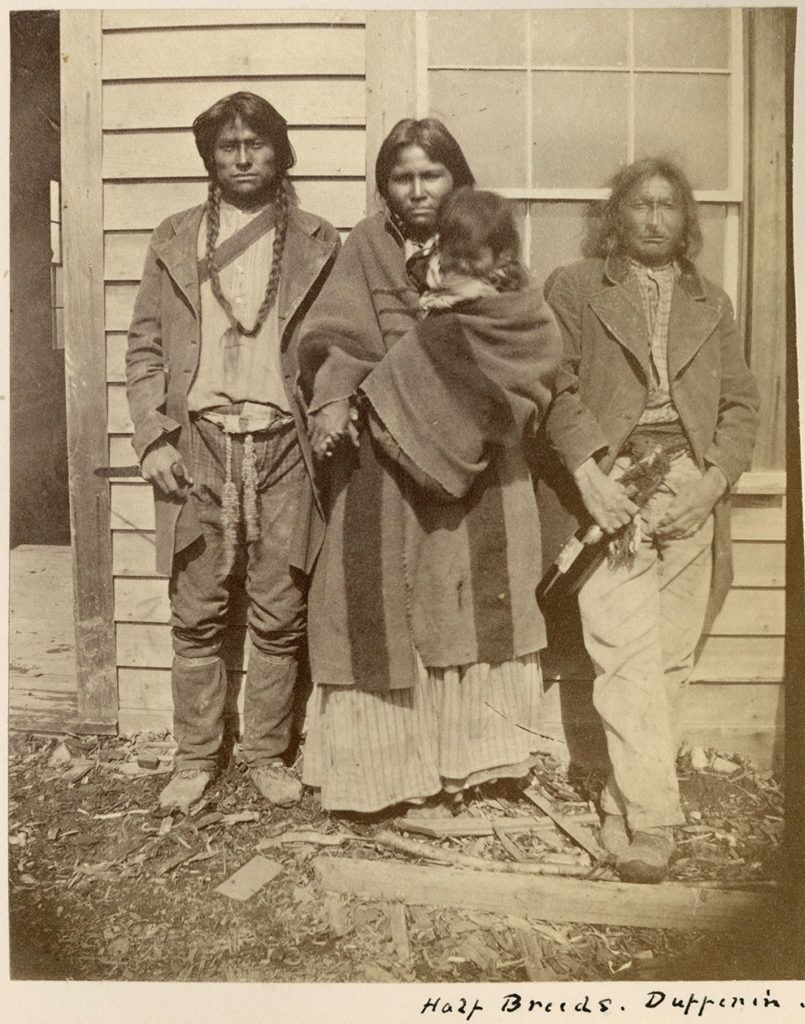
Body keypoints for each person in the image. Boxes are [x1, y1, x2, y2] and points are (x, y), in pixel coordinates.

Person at [296, 125, 562, 816]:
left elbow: (523, 344)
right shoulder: (366, 248)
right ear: (384, 186)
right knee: (379, 605)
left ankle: (472, 764)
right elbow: (338, 341)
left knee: (469, 603)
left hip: (480, 465)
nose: (416, 189)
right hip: (385, 457)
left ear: (456, 180)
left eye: (431, 175)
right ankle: (384, 771)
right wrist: (330, 401)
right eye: (401, 176)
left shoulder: (486, 241)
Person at [543, 157, 759, 882]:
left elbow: (739, 406)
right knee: (625, 657)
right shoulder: (575, 289)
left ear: (685, 219)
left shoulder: (712, 302)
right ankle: (657, 824)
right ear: (617, 216)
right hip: (614, 489)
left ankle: (617, 801)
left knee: (665, 659)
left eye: (669, 206)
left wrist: (714, 479)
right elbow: (553, 390)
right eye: (640, 205)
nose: (655, 219)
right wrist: (592, 475)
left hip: (689, 488)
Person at [125, 92, 340, 811]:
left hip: (285, 447)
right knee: (196, 610)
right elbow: (146, 346)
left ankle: (267, 754)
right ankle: (194, 759)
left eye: (256, 144)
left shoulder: (315, 239)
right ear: (209, 158)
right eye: (227, 146)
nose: (243, 157)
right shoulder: (174, 236)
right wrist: (153, 436)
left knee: (280, 609)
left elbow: (343, 347)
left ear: (281, 152)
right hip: (200, 445)